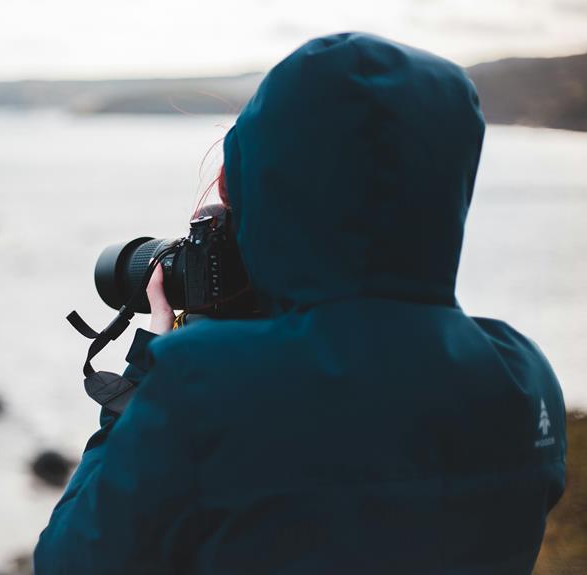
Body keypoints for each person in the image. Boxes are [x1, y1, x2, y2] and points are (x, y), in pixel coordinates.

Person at [34, 32, 566, 574]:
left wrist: (148, 370)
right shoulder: (523, 376)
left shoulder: (201, 388)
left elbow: (70, 561)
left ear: (257, 190)